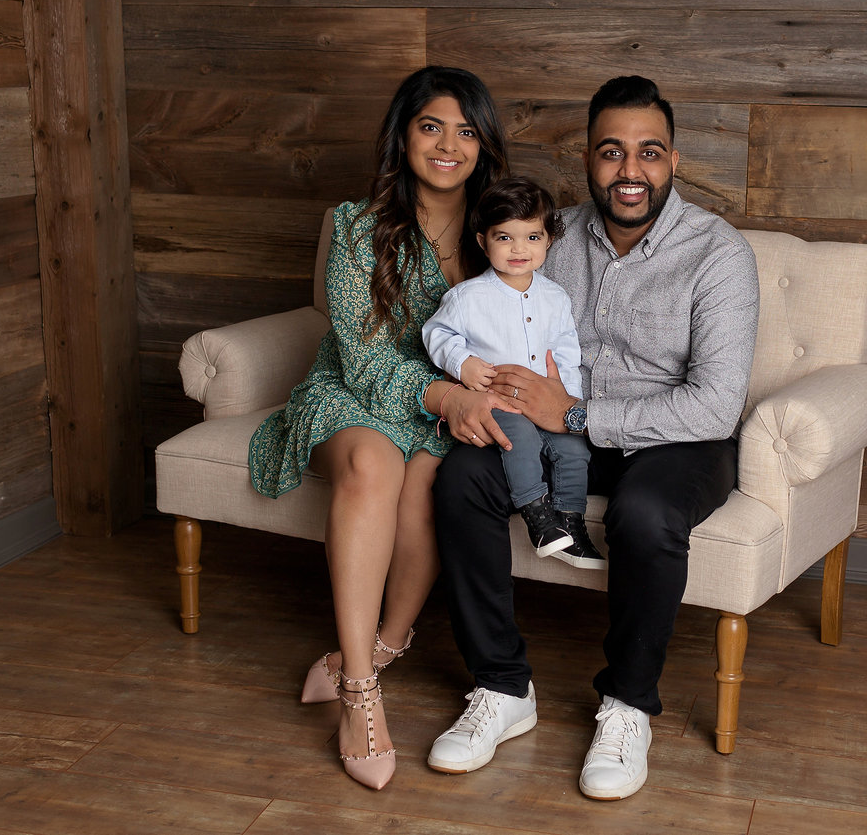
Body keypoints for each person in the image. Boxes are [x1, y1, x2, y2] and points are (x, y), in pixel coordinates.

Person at [426, 76, 760, 800]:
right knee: (460, 479)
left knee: (645, 514)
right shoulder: (547, 237)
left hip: (676, 440)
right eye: (612, 152)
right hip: (560, 432)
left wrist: (572, 415)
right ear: (587, 156)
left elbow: (713, 405)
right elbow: (477, 322)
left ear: (674, 159)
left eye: (649, 152)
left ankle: (628, 703)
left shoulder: (718, 254)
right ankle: (502, 685)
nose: (629, 171)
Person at [247, 65, 513, 791]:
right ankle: (361, 694)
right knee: (373, 465)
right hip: (356, 391)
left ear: (484, 143)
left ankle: (382, 646)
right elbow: (361, 356)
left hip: (443, 406)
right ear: (404, 134)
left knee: (436, 479)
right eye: (432, 126)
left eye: (466, 130)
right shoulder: (356, 224)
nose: (449, 144)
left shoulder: (501, 233)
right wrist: (441, 396)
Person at [422, 176, 605, 570]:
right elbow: (435, 333)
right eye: (505, 238)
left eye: (532, 238)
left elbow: (567, 351)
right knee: (517, 439)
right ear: (482, 241)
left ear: (549, 240)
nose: (519, 249)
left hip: (549, 401)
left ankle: (571, 526)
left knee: (575, 450)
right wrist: (462, 363)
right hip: (501, 400)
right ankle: (538, 517)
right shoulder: (467, 298)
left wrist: (567, 400)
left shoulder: (555, 297)